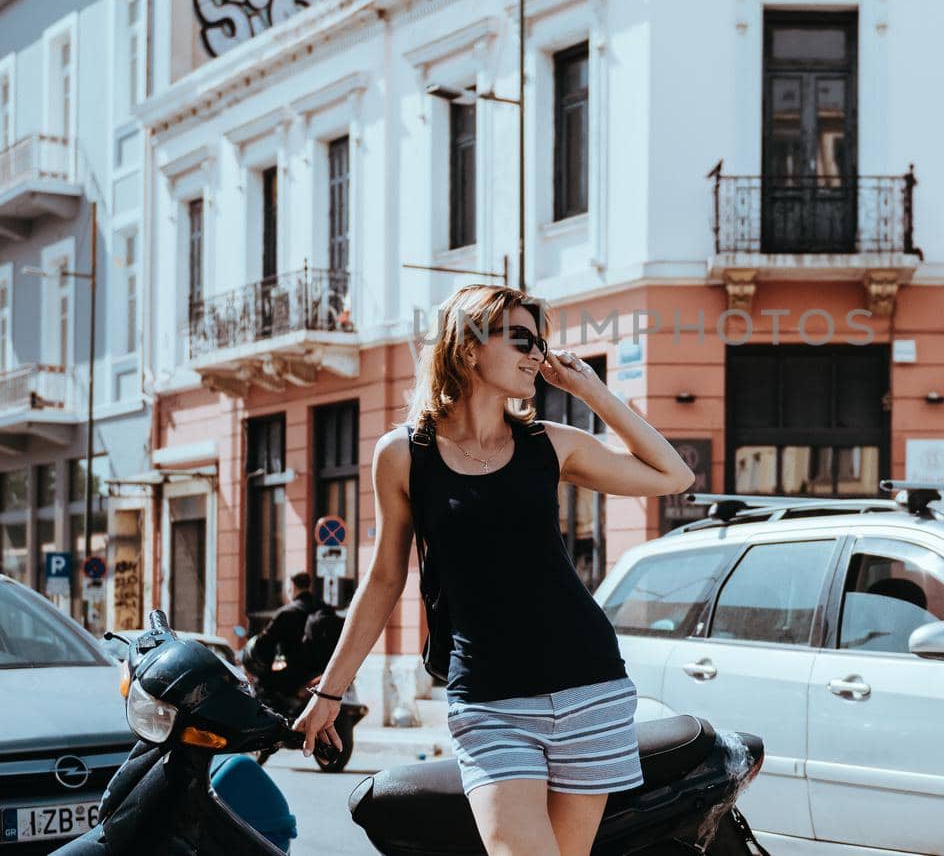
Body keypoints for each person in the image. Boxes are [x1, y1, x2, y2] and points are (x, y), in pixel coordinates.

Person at [293, 285, 694, 856]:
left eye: (542, 342)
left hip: (589, 683)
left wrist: (590, 389)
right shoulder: (405, 454)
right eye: (522, 340)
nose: (538, 354)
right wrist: (330, 690)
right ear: (469, 348)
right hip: (490, 698)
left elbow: (673, 476)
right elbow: (385, 578)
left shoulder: (551, 445)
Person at [247, 571, 322, 698]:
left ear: (292, 586)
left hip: (295, 675)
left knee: (264, 688)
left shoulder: (287, 613)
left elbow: (264, 644)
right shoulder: (323, 608)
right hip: (322, 670)